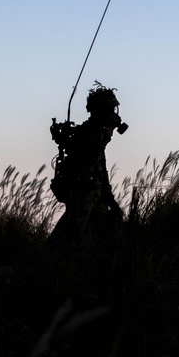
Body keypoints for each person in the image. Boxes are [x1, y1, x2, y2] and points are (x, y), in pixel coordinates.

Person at [49, 82, 128, 245]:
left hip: (96, 192)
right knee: (70, 236)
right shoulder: (91, 132)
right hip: (83, 191)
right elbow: (92, 148)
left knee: (106, 235)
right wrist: (110, 127)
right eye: (110, 109)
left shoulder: (94, 131)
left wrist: (109, 198)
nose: (114, 113)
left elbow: (101, 168)